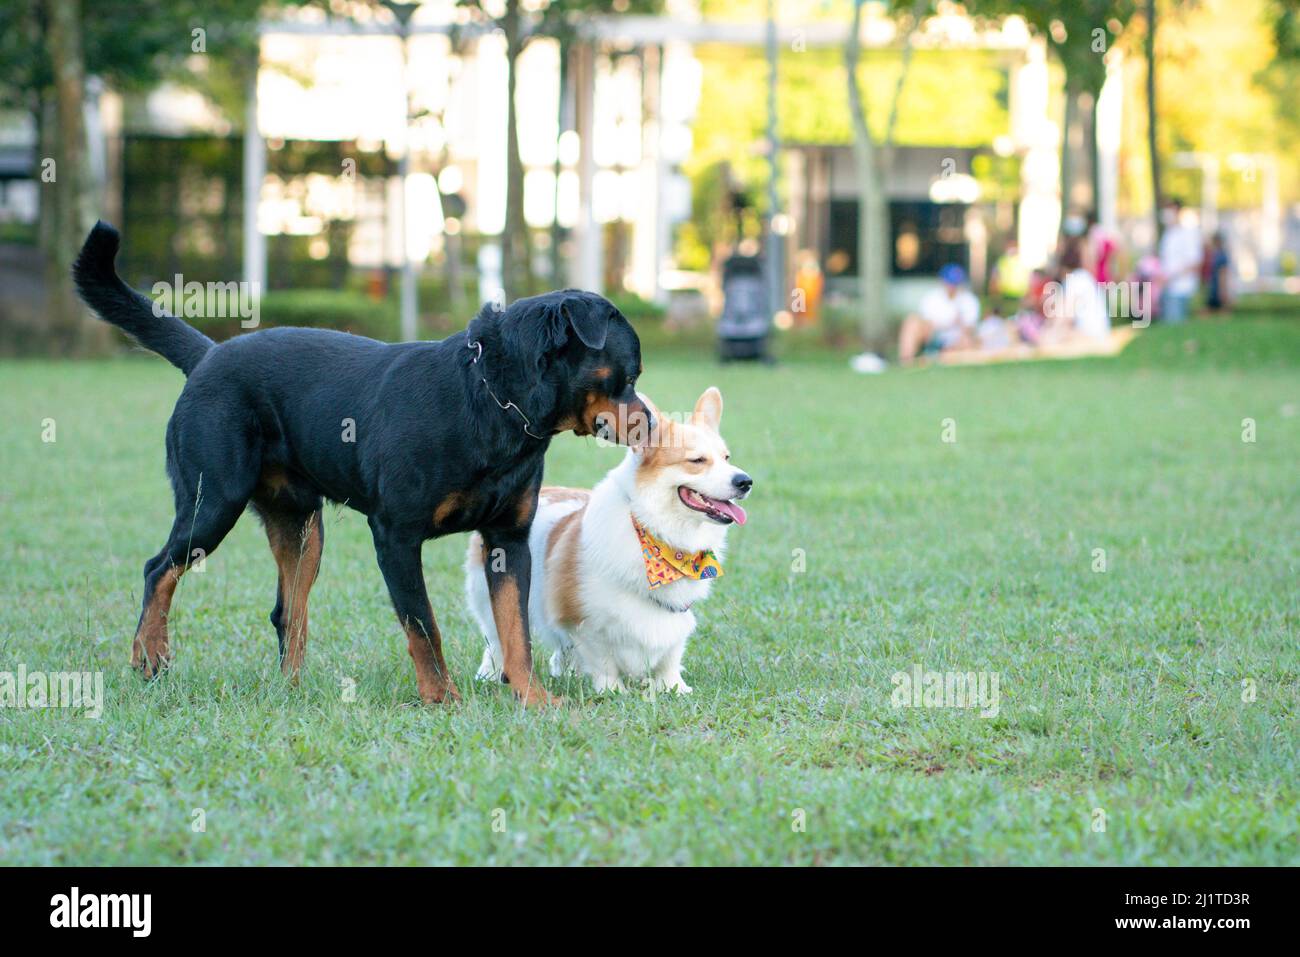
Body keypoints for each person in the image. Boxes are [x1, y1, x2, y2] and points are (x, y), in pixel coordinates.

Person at [897, 263, 980, 365]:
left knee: (966, 341)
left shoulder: (969, 300)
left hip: (956, 339)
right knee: (911, 322)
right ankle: (906, 362)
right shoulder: (932, 298)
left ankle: (945, 357)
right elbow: (927, 325)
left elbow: (969, 330)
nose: (952, 287)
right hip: (935, 337)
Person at [1157, 199, 1201, 324]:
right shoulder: (1168, 235)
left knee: (1178, 324)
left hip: (1182, 288)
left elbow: (1194, 262)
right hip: (1168, 288)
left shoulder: (1188, 233)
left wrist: (1171, 276)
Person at [1204, 232, 1232, 312]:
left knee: (1222, 309)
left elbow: (1223, 273)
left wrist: (1223, 290)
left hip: (1218, 286)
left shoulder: (1221, 255)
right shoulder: (1213, 254)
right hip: (1213, 286)